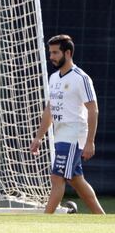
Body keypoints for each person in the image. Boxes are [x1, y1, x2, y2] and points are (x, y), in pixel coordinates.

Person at [30, 34, 105, 214]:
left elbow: (93, 110)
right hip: (60, 134)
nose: (52, 57)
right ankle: (103, 220)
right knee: (76, 180)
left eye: (56, 53)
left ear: (68, 53)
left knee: (57, 177)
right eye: (51, 52)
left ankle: (44, 221)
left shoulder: (81, 78)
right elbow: (50, 109)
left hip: (74, 134)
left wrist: (89, 141)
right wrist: (39, 137)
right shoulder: (54, 78)